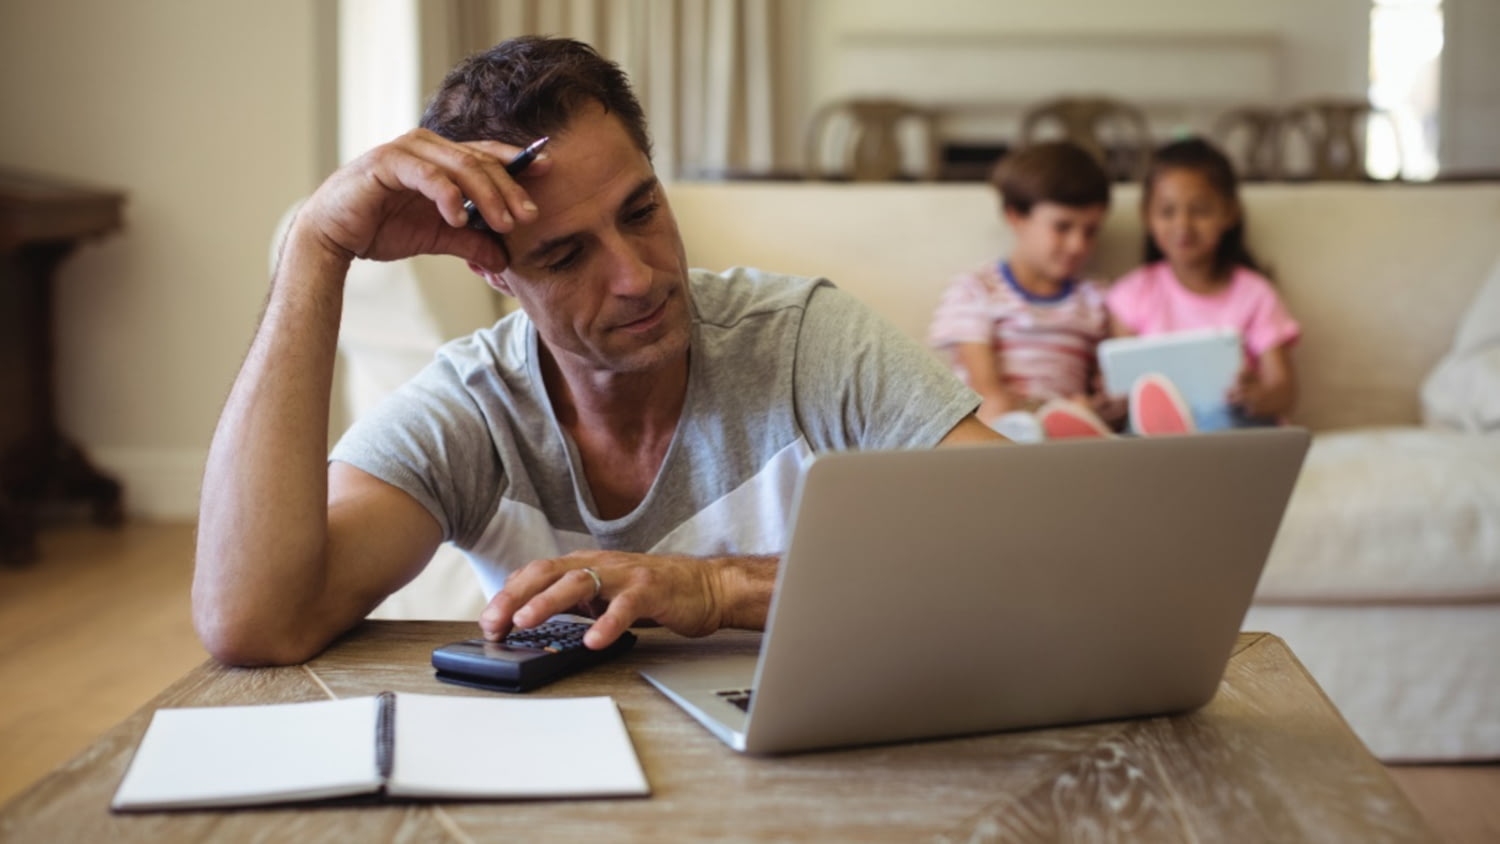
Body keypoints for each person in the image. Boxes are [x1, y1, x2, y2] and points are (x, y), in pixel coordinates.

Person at [192, 36, 1000, 667]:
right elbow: (256, 620)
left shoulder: (804, 342)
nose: (636, 276)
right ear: (494, 271)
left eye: (642, 210)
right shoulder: (474, 408)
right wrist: (315, 246)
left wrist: (719, 588)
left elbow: (1030, 543)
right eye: (565, 256)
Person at [927, 141, 1120, 442]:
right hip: (997, 423)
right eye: (1063, 227)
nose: (1078, 245)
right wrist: (1039, 413)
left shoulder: (1096, 298)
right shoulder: (976, 291)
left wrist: (1096, 405)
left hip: (1069, 427)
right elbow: (986, 391)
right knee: (994, 411)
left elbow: (1104, 382)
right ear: (1016, 216)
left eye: (1090, 231)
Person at [1106, 137, 1301, 434]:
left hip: (1233, 426)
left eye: (1200, 210)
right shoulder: (1132, 294)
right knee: (1135, 426)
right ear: (1147, 215)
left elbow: (1284, 391)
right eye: (1167, 211)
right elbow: (1122, 386)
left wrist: (1257, 396)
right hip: (1157, 436)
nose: (1183, 225)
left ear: (1229, 213)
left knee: (1220, 414)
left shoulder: (1255, 294)